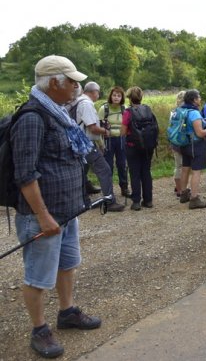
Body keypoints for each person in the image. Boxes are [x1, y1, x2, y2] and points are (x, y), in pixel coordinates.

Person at [11, 55, 101, 358]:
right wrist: (43, 215)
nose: (77, 86)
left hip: (66, 210)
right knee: (38, 276)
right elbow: (25, 174)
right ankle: (39, 329)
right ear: (54, 83)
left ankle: (67, 311)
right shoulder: (33, 118)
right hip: (43, 216)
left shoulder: (58, 113)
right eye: (72, 81)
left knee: (67, 264)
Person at [75, 82, 125, 212]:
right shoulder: (86, 104)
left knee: (82, 170)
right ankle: (109, 201)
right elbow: (93, 128)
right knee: (105, 170)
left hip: (79, 143)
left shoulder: (77, 101)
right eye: (98, 92)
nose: (98, 95)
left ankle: (84, 197)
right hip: (86, 144)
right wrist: (105, 132)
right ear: (94, 92)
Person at [121, 86, 156, 210]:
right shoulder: (148, 109)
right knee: (146, 172)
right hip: (148, 146)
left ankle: (136, 201)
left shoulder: (127, 112)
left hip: (132, 146)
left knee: (134, 173)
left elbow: (123, 132)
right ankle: (148, 200)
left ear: (129, 98)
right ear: (141, 97)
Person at [177, 89, 206, 209]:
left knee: (185, 168)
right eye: (199, 97)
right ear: (194, 100)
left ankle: (183, 193)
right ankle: (194, 198)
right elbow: (200, 133)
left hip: (184, 143)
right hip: (195, 145)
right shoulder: (194, 113)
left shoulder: (181, 109)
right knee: (196, 171)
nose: (200, 99)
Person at [98, 86, 130, 197]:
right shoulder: (104, 109)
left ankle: (124, 187)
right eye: (114, 95)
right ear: (110, 96)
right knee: (108, 166)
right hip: (108, 140)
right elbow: (98, 126)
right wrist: (100, 143)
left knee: (122, 164)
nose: (116, 98)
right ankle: (108, 190)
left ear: (122, 97)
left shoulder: (124, 109)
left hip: (121, 139)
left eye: (119, 95)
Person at [171, 91, 185, 197]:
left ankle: (178, 187)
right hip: (184, 141)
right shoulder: (187, 111)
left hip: (174, 140)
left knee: (178, 165)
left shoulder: (173, 112)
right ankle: (181, 189)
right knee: (184, 166)